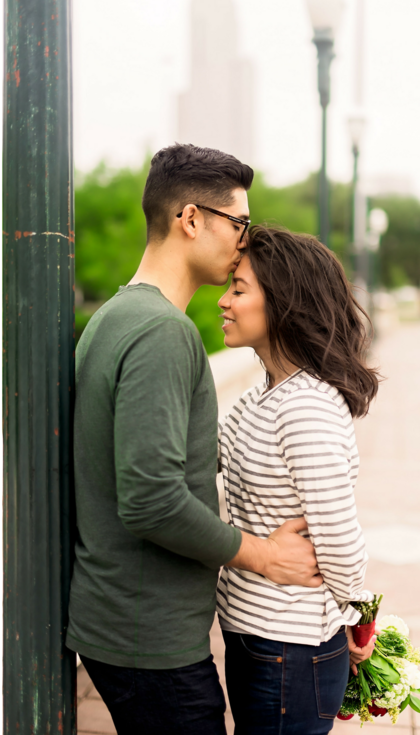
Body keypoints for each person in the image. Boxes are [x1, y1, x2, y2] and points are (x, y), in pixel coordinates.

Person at [68, 144, 323, 735]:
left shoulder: (115, 318)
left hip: (126, 624)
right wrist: (264, 555)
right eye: (239, 223)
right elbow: (151, 497)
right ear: (190, 219)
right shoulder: (163, 332)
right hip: (148, 636)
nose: (244, 239)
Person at [215, 226, 381, 734]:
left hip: (291, 649)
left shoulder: (306, 406)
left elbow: (338, 540)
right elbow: (195, 460)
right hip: (257, 636)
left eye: (239, 289)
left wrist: (358, 619)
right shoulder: (261, 397)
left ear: (283, 303)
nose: (224, 301)